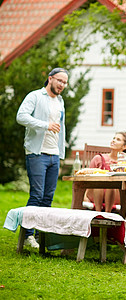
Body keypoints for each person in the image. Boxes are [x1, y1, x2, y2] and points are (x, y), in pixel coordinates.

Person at [16, 67, 69, 248]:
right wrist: (45, 125)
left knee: (48, 197)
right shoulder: (35, 96)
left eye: (65, 82)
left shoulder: (60, 101)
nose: (62, 85)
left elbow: (61, 129)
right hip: (37, 153)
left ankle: (41, 236)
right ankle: (27, 235)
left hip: (54, 154)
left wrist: (61, 152)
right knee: (36, 195)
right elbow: (21, 117)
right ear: (50, 79)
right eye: (59, 80)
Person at [83, 132, 126, 212]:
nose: (113, 141)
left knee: (111, 184)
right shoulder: (98, 158)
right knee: (100, 182)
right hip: (95, 194)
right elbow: (87, 179)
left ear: (124, 146)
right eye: (113, 138)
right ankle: (98, 213)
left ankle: (107, 213)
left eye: (118, 139)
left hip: (116, 195)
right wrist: (84, 196)